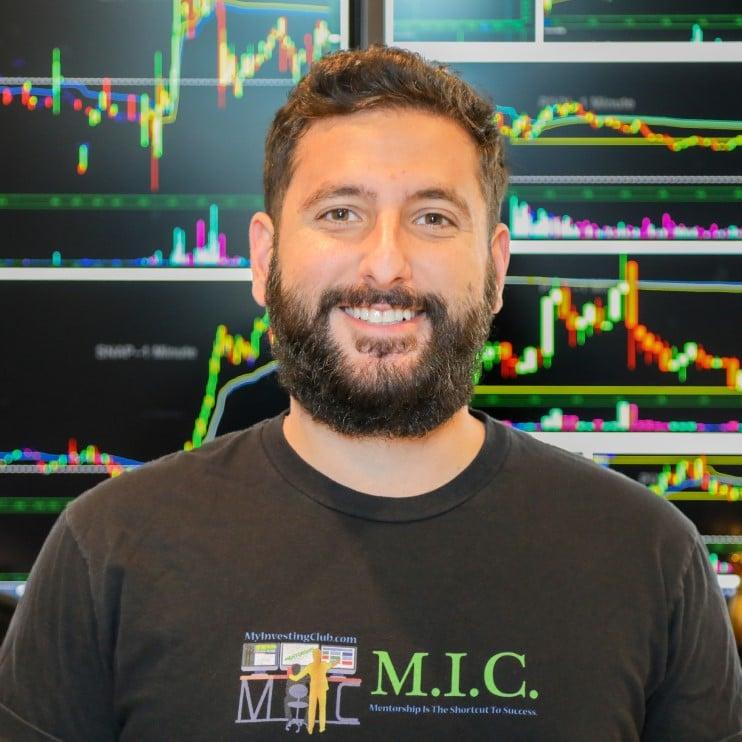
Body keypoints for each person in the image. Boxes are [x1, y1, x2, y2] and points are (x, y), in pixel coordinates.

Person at [1, 46, 740, 741]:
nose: (385, 265)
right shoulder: (108, 552)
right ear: (263, 258)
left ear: (495, 269)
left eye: (432, 218)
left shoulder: (650, 559)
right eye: (340, 213)